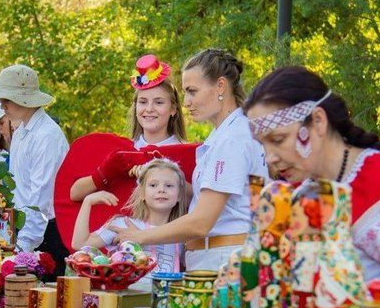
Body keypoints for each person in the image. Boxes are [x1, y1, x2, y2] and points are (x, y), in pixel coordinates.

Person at [243, 65, 380, 308]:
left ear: (318, 121)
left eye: (278, 139)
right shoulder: (299, 190)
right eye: (263, 145)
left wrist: (348, 297)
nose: (270, 158)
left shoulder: (377, 180)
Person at [112, 48, 267, 271]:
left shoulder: (231, 139)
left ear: (221, 86)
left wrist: (142, 235)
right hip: (223, 256)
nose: (187, 102)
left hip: (224, 260)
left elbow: (202, 222)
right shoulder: (228, 133)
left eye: (192, 91)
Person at [0, 64, 70, 276]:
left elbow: (41, 199)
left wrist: (23, 249)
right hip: (24, 229)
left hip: (46, 234)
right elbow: (18, 187)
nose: (3, 106)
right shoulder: (21, 130)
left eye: (6, 100)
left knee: (41, 304)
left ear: (24, 99)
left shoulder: (47, 136)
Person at [70, 54, 186, 202]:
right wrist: (106, 171)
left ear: (173, 109)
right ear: (135, 106)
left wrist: (159, 172)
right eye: (143, 102)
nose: (149, 109)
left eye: (159, 102)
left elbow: (196, 202)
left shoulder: (185, 153)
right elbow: (74, 193)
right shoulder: (121, 152)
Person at [73, 158, 187, 274]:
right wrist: (87, 202)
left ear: (179, 196)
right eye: (153, 185)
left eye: (169, 185)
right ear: (142, 194)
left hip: (167, 292)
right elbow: (79, 244)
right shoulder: (123, 225)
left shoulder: (182, 232)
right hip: (127, 292)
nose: (161, 190)